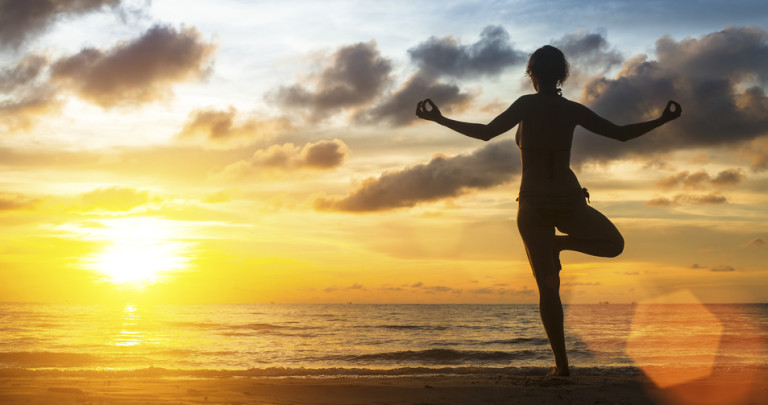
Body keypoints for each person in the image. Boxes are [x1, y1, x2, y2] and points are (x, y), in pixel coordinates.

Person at [415, 45, 681, 376]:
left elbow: (485, 133)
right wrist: (662, 120)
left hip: (534, 203)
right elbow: (620, 135)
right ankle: (563, 246)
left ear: (532, 74)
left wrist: (439, 118)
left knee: (548, 286)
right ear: (563, 75)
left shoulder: (526, 105)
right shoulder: (572, 110)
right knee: (614, 245)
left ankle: (562, 366)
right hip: (568, 198)